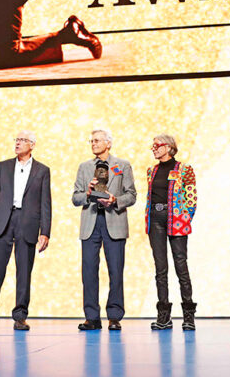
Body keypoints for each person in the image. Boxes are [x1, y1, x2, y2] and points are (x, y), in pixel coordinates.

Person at [0, 130, 51, 331]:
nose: (18, 143)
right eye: (17, 140)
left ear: (32, 145)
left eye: (23, 140)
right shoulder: (3, 167)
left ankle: (20, 316)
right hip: (2, 221)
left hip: (27, 223)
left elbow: (46, 203)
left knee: (24, 272)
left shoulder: (42, 170)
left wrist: (45, 231)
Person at [71, 129, 136, 330]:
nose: (93, 143)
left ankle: (114, 316)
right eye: (91, 141)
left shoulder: (122, 165)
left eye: (97, 140)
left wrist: (115, 200)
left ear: (108, 143)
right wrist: (87, 192)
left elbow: (132, 195)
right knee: (89, 271)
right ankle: (92, 317)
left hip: (114, 221)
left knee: (116, 271)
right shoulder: (84, 167)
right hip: (91, 222)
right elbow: (75, 197)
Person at [144, 134, 197, 330]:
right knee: (161, 268)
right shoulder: (152, 170)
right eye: (153, 145)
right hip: (156, 220)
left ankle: (188, 315)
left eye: (157, 145)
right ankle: (164, 316)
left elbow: (191, 198)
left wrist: (184, 218)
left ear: (168, 147)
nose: (154, 148)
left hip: (176, 221)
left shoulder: (184, 169)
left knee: (181, 266)